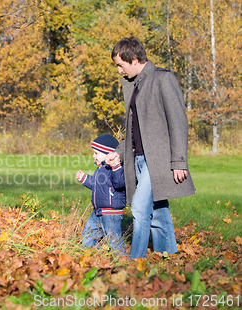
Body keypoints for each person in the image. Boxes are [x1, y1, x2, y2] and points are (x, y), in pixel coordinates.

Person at [106, 37, 196, 259]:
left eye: (120, 65)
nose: (119, 71)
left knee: (138, 208)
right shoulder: (133, 84)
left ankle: (135, 261)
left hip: (158, 161)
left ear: (134, 60)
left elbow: (178, 122)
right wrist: (118, 153)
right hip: (138, 159)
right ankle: (168, 257)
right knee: (158, 212)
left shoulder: (162, 79)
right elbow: (134, 132)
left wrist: (178, 162)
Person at [77, 134, 127, 255]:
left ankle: (121, 260)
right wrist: (84, 178)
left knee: (114, 241)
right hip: (98, 211)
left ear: (108, 154)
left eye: (96, 153)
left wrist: (115, 166)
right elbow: (96, 185)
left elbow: (120, 183)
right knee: (88, 235)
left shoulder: (115, 168)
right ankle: (88, 255)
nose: (93, 156)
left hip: (111, 213)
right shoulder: (100, 169)